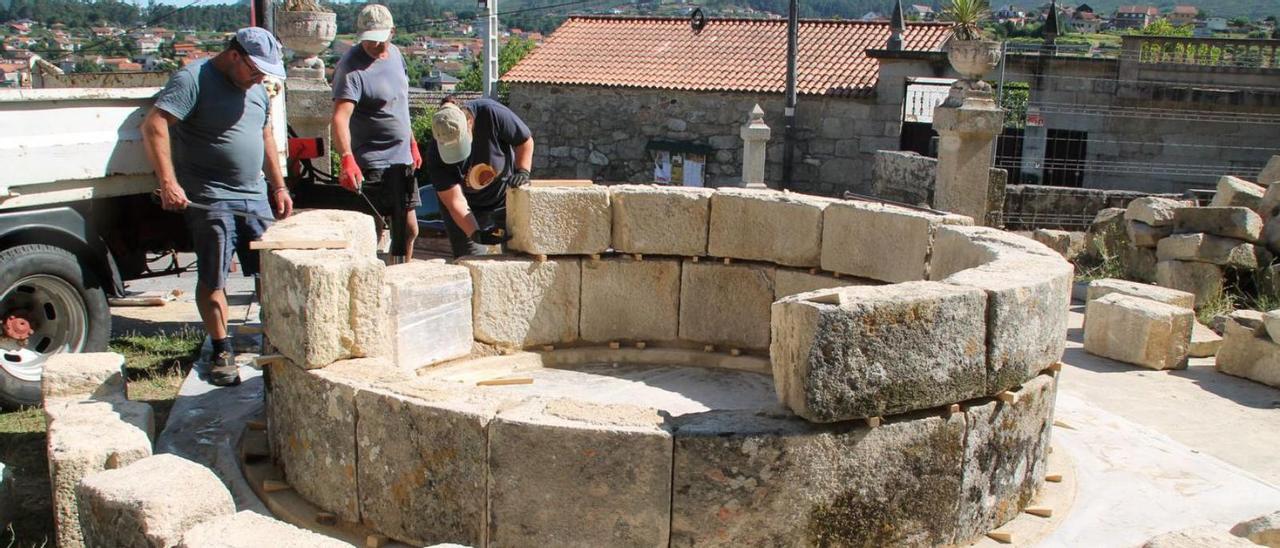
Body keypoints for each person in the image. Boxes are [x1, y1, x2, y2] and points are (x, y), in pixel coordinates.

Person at [141, 27, 292, 386]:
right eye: (254, 69)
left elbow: (265, 135)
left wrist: (279, 185)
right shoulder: (193, 79)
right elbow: (155, 125)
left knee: (271, 272)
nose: (259, 78)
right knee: (214, 277)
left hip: (254, 195)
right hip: (211, 196)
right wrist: (168, 182)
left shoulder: (257, 90)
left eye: (265, 72)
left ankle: (277, 338)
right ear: (234, 55)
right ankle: (222, 348)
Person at [332, 3, 420, 260]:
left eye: (380, 40)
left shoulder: (396, 55)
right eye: (369, 40)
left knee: (409, 230)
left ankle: (400, 278)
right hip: (371, 162)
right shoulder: (350, 69)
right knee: (371, 231)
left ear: (392, 32)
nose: (374, 45)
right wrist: (347, 158)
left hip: (401, 160)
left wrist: (412, 142)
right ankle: (370, 287)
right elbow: (339, 117)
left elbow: (400, 103)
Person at [426, 95, 534, 258]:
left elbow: (524, 140)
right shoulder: (435, 154)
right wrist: (476, 234)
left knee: (516, 254)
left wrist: (523, 171)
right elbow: (455, 201)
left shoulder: (491, 113)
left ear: (470, 123)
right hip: (466, 209)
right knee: (472, 260)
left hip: (502, 199)